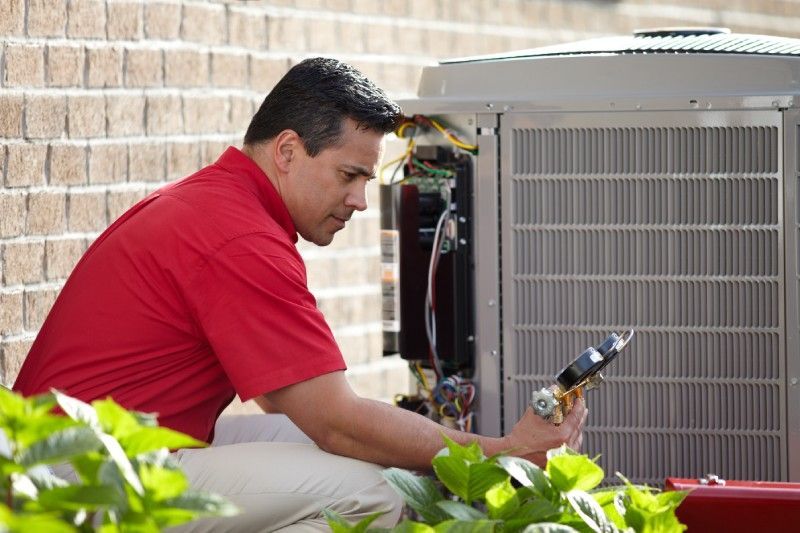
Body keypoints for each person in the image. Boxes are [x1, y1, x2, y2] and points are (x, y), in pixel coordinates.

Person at [13, 57, 587, 532]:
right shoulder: (238, 239)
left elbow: (309, 411)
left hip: (74, 454)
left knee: (351, 453)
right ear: (287, 151)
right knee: (370, 494)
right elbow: (338, 421)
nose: (362, 201)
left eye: (367, 179)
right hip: (72, 480)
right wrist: (501, 452)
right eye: (348, 176)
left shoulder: (220, 205)